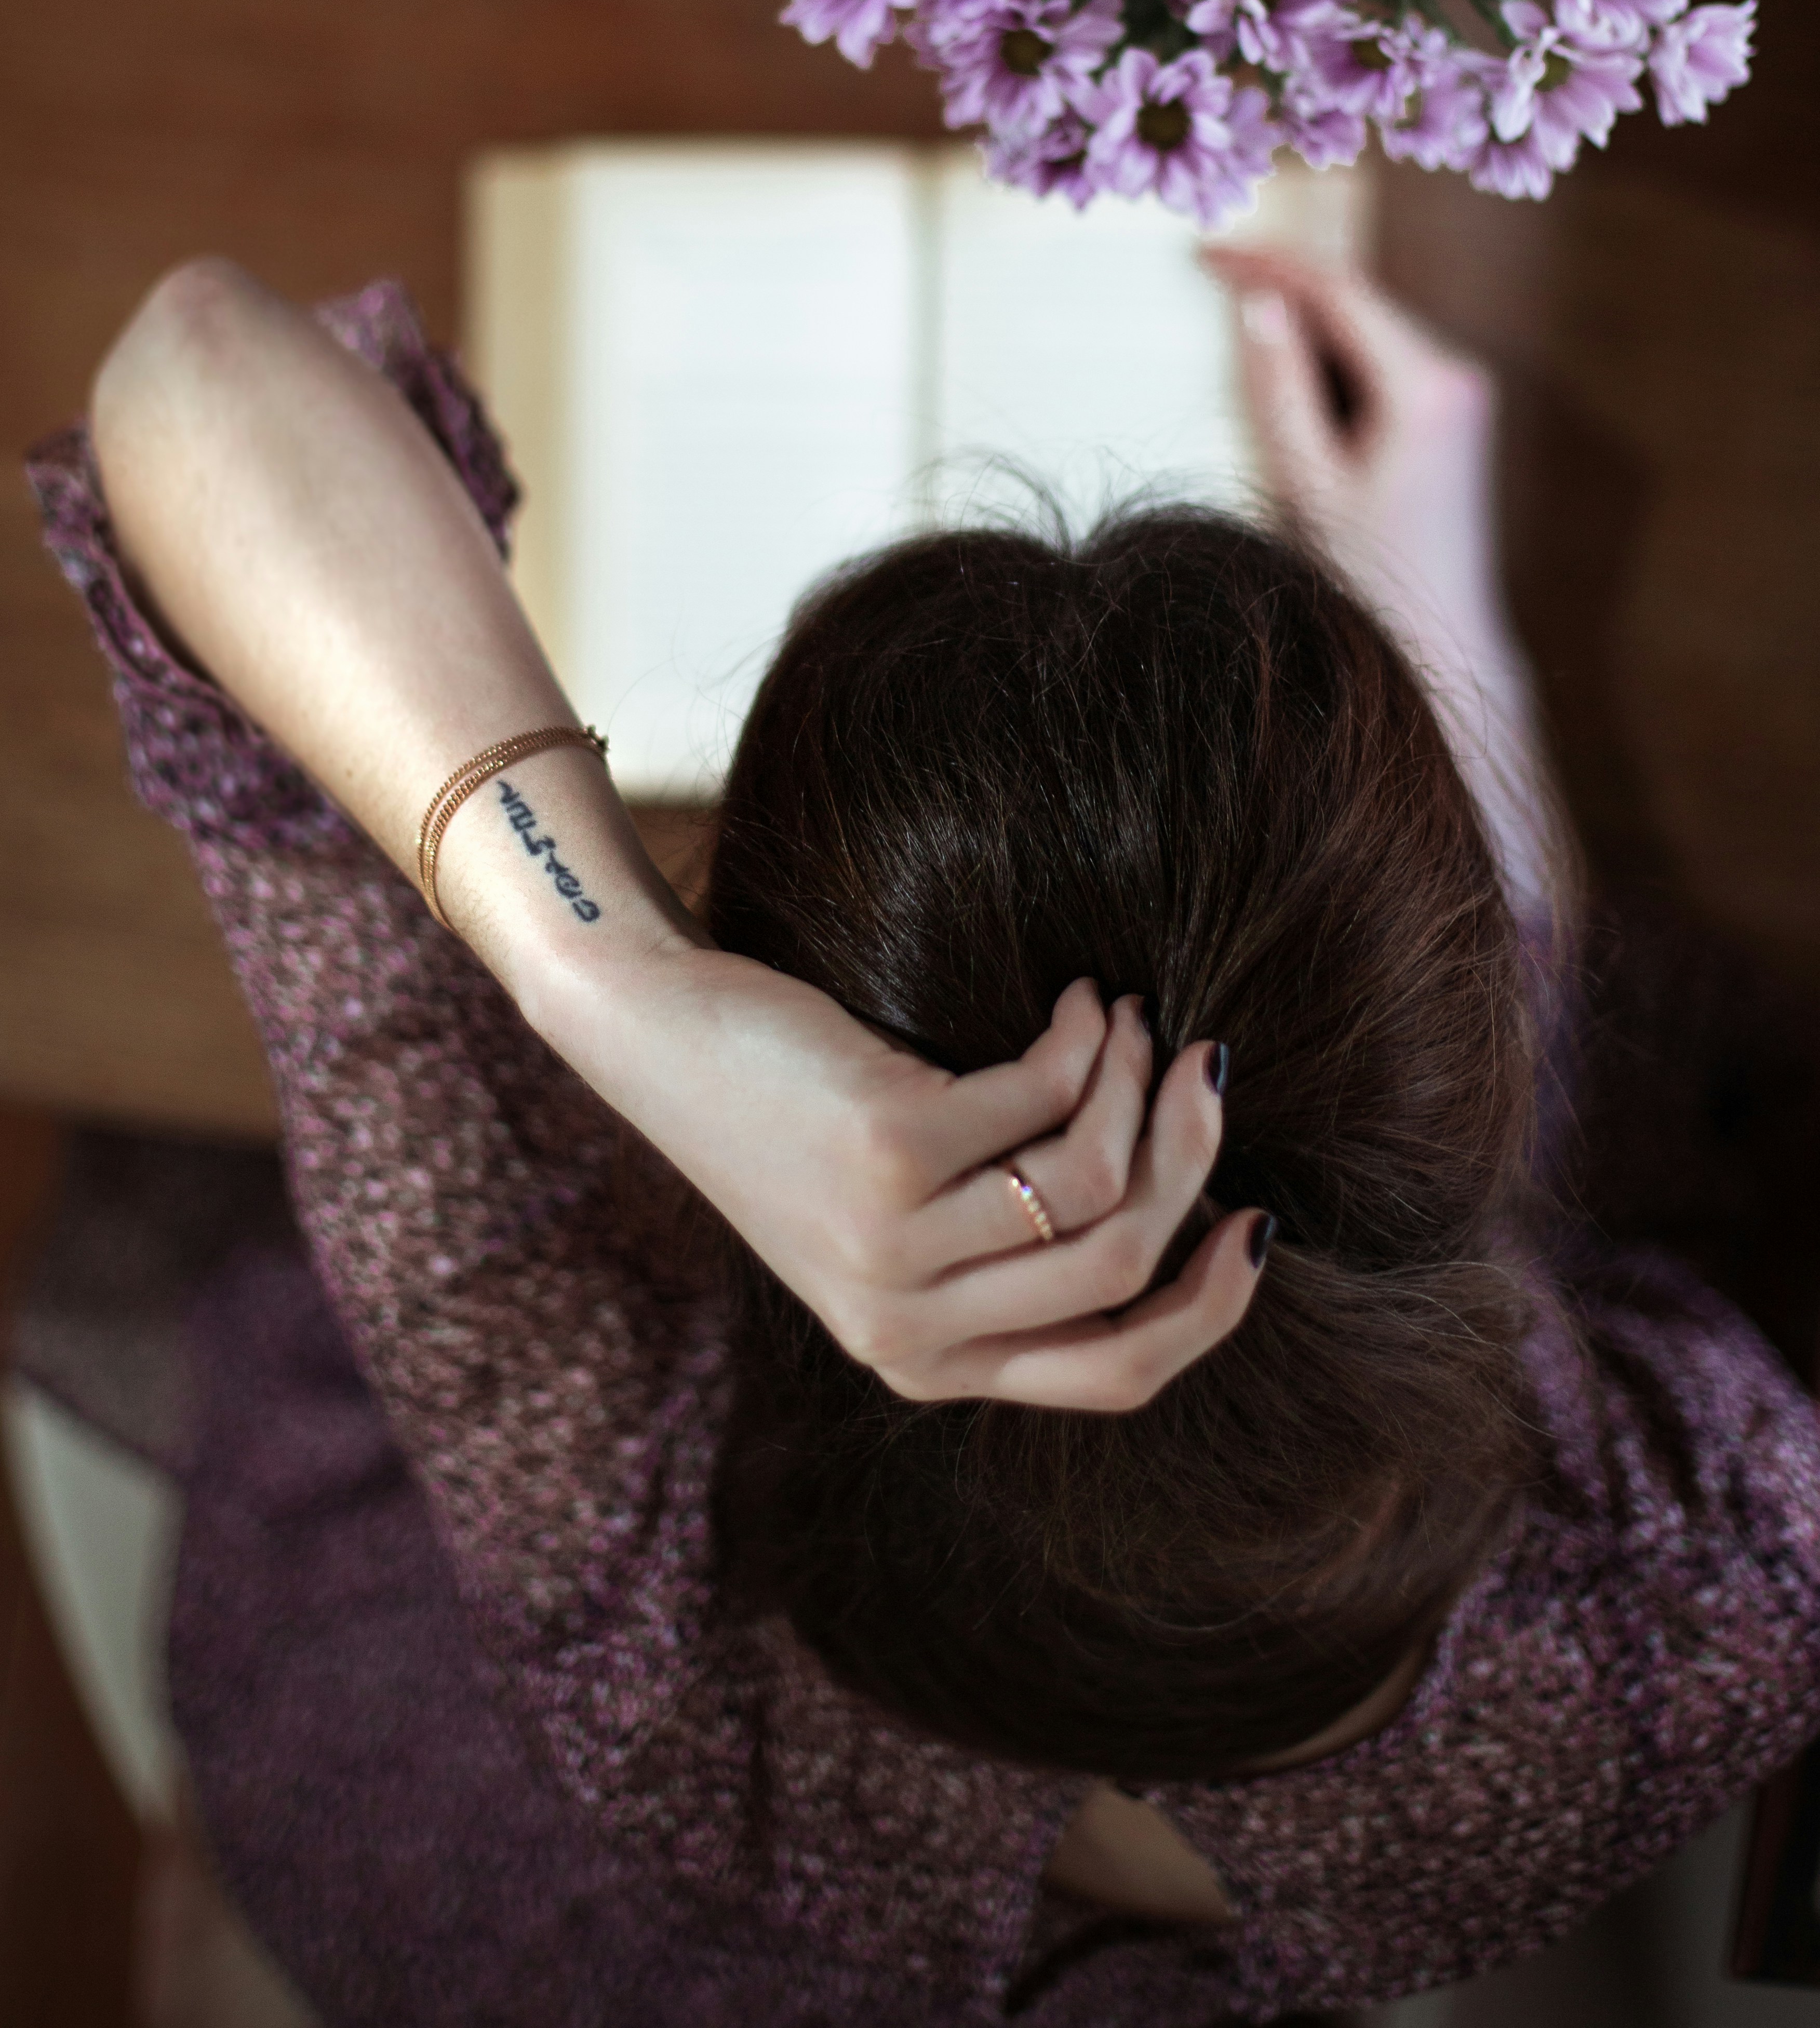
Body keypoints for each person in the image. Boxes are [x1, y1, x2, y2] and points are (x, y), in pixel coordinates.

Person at [23, 243, 1820, 2026]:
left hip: (435, 1840)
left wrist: (608, 975)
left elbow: (200, 367)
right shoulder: (1727, 1592)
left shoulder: (625, 1563)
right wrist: (1450, 633)